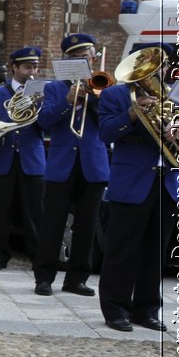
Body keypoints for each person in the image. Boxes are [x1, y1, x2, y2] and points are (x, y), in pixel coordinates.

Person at [96, 47, 179, 332]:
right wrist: (133, 113)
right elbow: (106, 132)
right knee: (122, 249)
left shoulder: (177, 93)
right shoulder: (115, 95)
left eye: (162, 66)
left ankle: (147, 309)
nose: (158, 72)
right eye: (153, 66)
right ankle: (115, 309)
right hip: (131, 181)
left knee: (155, 251)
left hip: (165, 182)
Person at [34, 33, 108, 297]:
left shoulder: (104, 86)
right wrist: (68, 101)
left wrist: (95, 95)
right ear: (67, 61)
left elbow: (109, 123)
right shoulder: (54, 88)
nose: (82, 61)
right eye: (75, 58)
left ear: (93, 58)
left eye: (85, 57)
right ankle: (44, 277)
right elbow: (43, 122)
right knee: (53, 224)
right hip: (62, 163)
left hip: (93, 164)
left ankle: (77, 279)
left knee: (87, 225)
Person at [0, 47, 46, 271]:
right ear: (14, 68)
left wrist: (40, 105)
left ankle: (38, 257)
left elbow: (46, 126)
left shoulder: (41, 92)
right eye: (27, 67)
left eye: (35, 67)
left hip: (32, 159)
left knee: (34, 212)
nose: (32, 72)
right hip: (4, 158)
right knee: (2, 211)